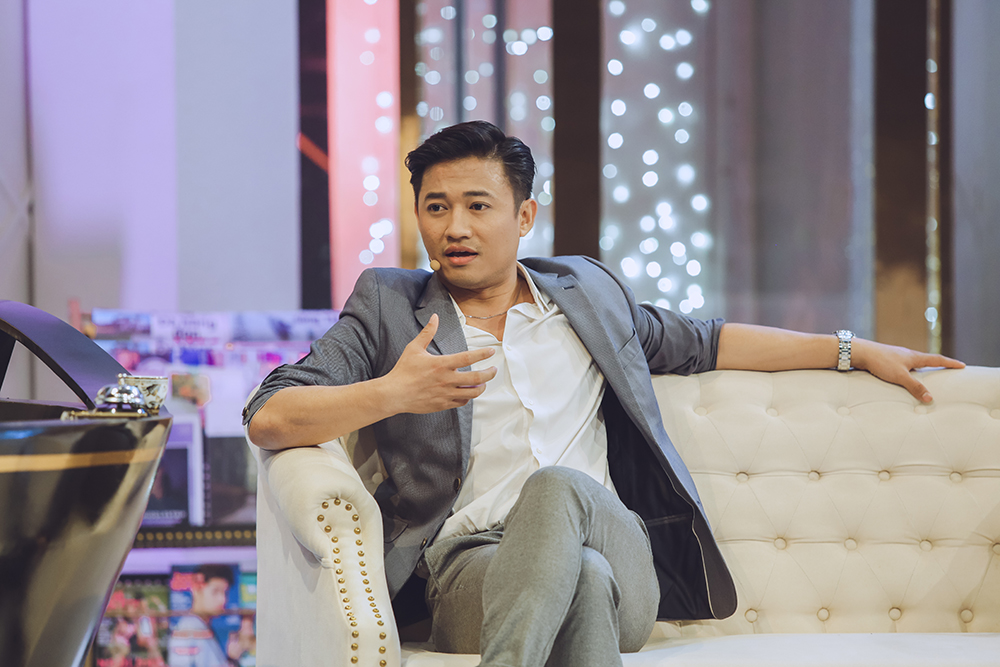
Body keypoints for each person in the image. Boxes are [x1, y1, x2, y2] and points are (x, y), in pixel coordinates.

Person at [244, 120, 963, 667]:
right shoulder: (390, 305)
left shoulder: (584, 293)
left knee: (560, 493)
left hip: (619, 556)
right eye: (436, 207)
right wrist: (392, 393)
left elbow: (706, 341)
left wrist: (850, 350)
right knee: (580, 582)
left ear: (525, 217)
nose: (454, 227)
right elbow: (270, 415)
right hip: (469, 571)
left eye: (477, 205)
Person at [168, 565, 235, 667]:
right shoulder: (188, 628)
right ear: (196, 590)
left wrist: (232, 658)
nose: (223, 599)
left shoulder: (202, 626)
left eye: (225, 593)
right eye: (215, 592)